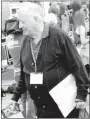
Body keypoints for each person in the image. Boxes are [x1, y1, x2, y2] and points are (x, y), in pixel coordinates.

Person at [10, 2, 89, 118]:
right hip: (40, 108)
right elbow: (24, 73)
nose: (19, 26)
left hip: (64, 108)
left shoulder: (59, 37)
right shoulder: (25, 41)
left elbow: (78, 67)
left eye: (23, 22)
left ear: (36, 19)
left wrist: (81, 95)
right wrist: (15, 97)